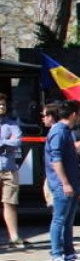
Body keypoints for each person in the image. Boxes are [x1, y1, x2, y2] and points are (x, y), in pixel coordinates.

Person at [44, 100, 80, 261]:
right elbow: (56, 159)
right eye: (79, 114)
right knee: (59, 220)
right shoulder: (59, 132)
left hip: (72, 183)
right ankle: (56, 254)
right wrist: (65, 183)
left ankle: (69, 253)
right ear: (74, 114)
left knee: (68, 221)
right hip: (63, 185)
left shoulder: (67, 131)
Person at [0, 94, 28, 250]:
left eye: (3, 104)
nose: (2, 107)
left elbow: (17, 140)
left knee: (10, 202)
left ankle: (14, 236)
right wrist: (7, 144)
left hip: (9, 168)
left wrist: (2, 143)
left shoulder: (11, 124)